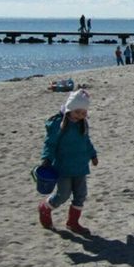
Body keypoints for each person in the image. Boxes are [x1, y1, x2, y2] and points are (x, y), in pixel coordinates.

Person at [38, 89, 99, 235]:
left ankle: (73, 223)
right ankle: (45, 208)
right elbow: (50, 144)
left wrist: (93, 155)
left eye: (83, 113)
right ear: (69, 109)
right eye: (77, 112)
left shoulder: (82, 124)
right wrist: (46, 159)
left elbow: (86, 142)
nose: (80, 116)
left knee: (81, 194)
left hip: (80, 166)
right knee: (63, 194)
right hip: (63, 167)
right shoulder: (59, 124)